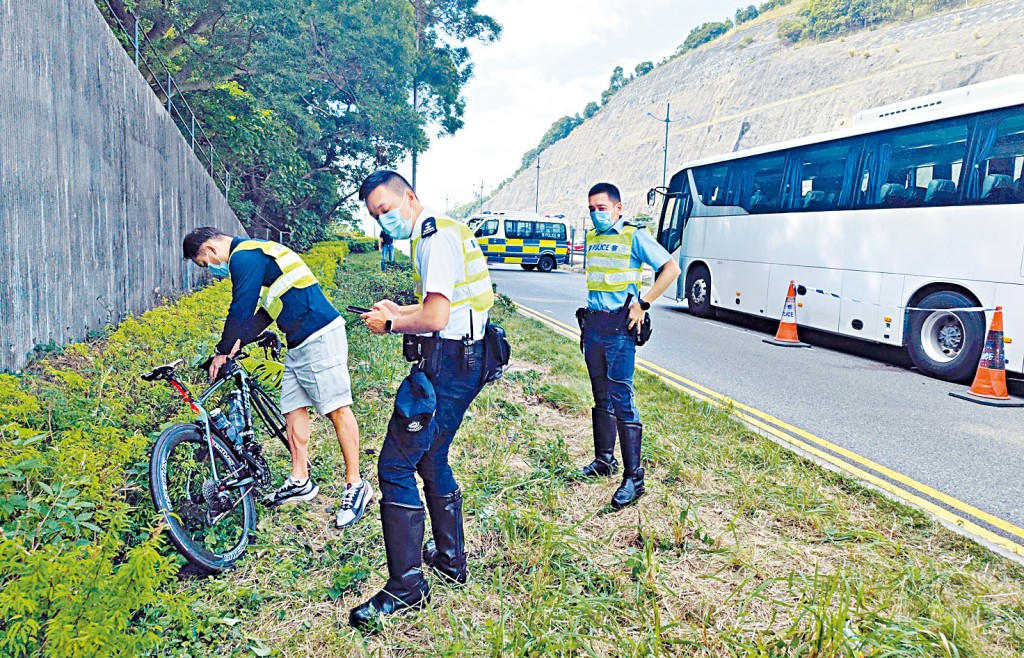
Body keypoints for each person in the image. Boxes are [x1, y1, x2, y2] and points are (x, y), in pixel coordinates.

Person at [349, 170, 494, 629]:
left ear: (410, 197)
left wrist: (392, 324)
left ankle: (406, 588)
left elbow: (436, 314)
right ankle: (449, 560)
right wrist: (398, 311)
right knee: (432, 459)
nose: (382, 221)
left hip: (451, 364)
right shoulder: (441, 231)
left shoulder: (432, 238)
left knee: (394, 465)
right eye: (374, 216)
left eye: (386, 210)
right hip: (461, 358)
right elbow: (440, 308)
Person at [181, 228, 372, 528]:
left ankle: (356, 485)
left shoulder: (243, 257)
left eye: (205, 264)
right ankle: (300, 479)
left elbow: (241, 309)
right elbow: (264, 315)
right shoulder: (259, 255)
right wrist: (235, 346)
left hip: (319, 333)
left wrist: (221, 350)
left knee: (337, 408)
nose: (212, 269)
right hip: (298, 340)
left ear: (209, 249)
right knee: (293, 407)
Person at [577, 183, 681, 510]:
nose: (597, 214)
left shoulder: (634, 236)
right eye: (592, 209)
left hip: (620, 329)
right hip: (593, 327)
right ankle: (604, 461)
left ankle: (635, 478)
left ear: (619, 207)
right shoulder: (593, 238)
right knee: (600, 397)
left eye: (602, 208)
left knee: (622, 399)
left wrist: (644, 304)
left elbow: (671, 269)